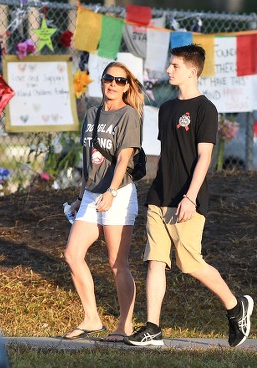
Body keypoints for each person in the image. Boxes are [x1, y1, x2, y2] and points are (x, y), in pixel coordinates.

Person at [123, 44, 254, 348]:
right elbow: (167, 153)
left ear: (192, 71)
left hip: (187, 198)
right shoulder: (167, 109)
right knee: (155, 261)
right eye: (169, 65)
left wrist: (190, 197)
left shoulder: (205, 109)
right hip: (159, 196)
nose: (169, 70)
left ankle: (236, 307)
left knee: (191, 264)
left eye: (175, 66)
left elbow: (204, 156)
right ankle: (153, 328)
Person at [63, 61, 145, 342]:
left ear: (127, 86)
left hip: (118, 193)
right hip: (91, 193)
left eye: (120, 81)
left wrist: (110, 192)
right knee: (72, 254)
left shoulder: (129, 115)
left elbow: (124, 157)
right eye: (108, 78)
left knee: (116, 262)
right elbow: (90, 162)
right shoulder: (91, 114)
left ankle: (126, 324)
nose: (112, 84)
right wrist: (80, 196)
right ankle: (91, 318)